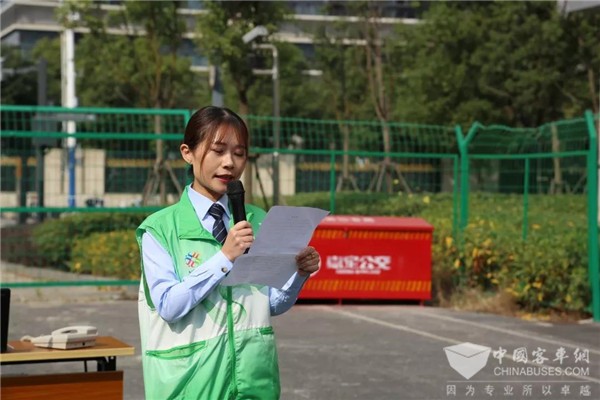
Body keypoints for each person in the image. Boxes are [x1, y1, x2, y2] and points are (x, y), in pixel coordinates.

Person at [136, 106, 320, 400]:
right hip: (190, 386)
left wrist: (297, 274)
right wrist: (224, 258)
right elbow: (168, 305)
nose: (229, 163)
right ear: (187, 153)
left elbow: (269, 305)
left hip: (253, 384)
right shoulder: (159, 229)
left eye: (239, 153)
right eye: (218, 151)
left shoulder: (258, 220)